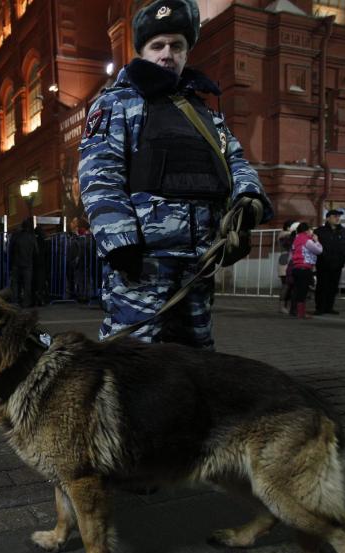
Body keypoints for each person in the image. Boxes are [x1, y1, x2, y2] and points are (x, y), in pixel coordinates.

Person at [79, 0, 272, 347]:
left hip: (197, 263)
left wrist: (249, 196)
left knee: (193, 361)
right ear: (142, 52)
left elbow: (235, 160)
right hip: (143, 264)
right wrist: (120, 242)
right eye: (158, 45)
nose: (167, 53)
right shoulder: (118, 103)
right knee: (131, 362)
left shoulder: (204, 112)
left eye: (177, 45)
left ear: (186, 52)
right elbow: (99, 174)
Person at [314, 208, 345, 315]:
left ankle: (329, 307)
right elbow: (313, 245)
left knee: (333, 287)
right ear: (328, 218)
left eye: (339, 216)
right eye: (335, 216)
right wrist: (321, 256)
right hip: (323, 264)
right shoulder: (319, 231)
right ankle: (320, 308)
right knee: (321, 286)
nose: (337, 218)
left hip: (337, 264)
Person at [289, 223, 323, 319]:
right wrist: (317, 241)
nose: (312, 232)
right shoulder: (307, 240)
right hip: (304, 268)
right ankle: (301, 313)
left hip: (296, 268)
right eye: (311, 230)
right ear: (307, 230)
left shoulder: (296, 240)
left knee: (297, 290)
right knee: (303, 292)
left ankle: (295, 310)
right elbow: (319, 250)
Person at [9, 218, 39, 307]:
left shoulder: (16, 236)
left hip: (16, 263)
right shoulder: (32, 237)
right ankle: (26, 302)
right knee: (27, 284)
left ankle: (15, 301)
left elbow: (10, 249)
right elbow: (36, 251)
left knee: (15, 283)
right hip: (28, 264)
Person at [276, 220, 296, 314]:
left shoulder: (288, 234)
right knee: (286, 285)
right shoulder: (284, 235)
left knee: (290, 285)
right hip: (285, 260)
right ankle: (282, 306)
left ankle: (287, 306)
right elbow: (287, 243)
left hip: (289, 260)